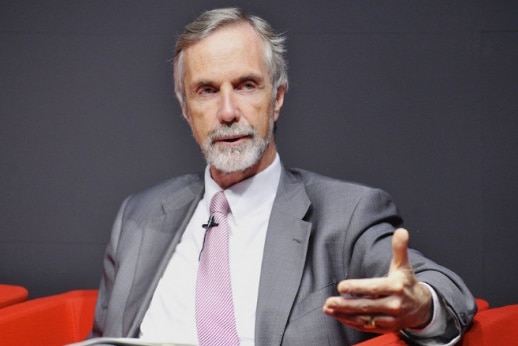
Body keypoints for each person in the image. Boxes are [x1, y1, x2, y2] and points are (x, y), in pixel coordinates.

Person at [91, 7, 476, 346]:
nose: (227, 111)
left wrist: (420, 305)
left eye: (246, 85)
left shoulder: (346, 216)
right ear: (185, 109)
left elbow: (449, 294)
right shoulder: (137, 216)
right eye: (206, 90)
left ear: (276, 98)